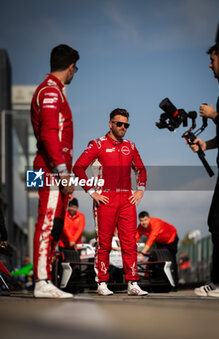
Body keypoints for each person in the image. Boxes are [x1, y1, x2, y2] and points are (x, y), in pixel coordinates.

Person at [73, 108, 148, 296]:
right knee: (104, 243)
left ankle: (133, 283)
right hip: (105, 199)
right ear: (110, 124)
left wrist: (140, 189)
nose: (123, 127)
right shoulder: (98, 144)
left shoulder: (130, 146)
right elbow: (78, 167)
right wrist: (92, 192)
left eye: (126, 125)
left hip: (127, 199)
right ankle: (102, 283)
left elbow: (141, 169)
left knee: (130, 242)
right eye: (119, 123)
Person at [31, 44, 79, 298]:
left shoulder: (56, 92)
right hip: (50, 169)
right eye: (76, 69)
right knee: (47, 220)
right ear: (70, 67)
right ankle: (40, 280)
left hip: (55, 170)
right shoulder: (50, 92)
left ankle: (46, 279)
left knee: (55, 225)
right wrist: (62, 172)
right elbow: (49, 133)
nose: (75, 73)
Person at [193, 1, 219, 298]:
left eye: (212, 58)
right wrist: (204, 143)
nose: (209, 65)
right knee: (216, 222)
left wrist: (213, 116)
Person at [136, 211, 179, 286]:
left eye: (145, 220)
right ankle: (159, 281)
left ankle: (175, 283)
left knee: (171, 261)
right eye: (141, 221)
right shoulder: (140, 227)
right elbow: (135, 238)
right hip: (160, 242)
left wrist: (142, 253)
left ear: (149, 219)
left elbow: (151, 240)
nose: (143, 223)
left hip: (171, 239)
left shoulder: (155, 223)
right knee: (158, 261)